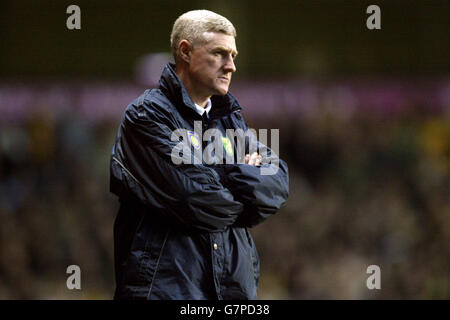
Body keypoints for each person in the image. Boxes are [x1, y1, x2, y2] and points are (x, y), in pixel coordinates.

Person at [110, 9, 289, 300]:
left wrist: (215, 175)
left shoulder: (230, 117)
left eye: (233, 55)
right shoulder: (147, 115)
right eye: (219, 53)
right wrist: (242, 179)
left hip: (231, 293)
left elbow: (278, 184)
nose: (230, 66)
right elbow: (195, 199)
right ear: (185, 51)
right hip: (167, 292)